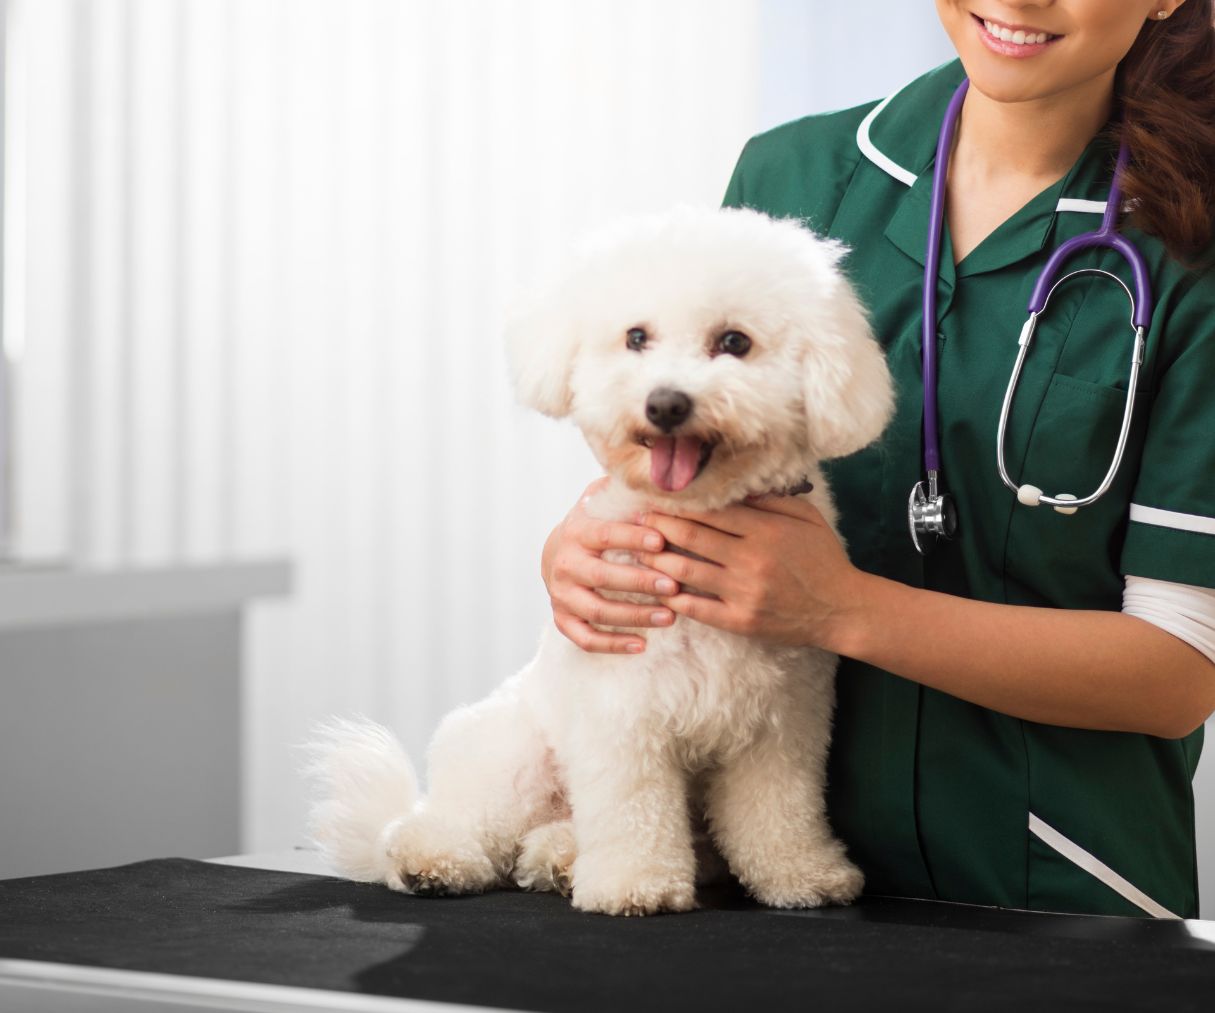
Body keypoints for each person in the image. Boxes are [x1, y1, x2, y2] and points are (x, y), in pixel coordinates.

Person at [539, 0, 1215, 919]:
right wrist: (591, 545)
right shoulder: (794, 173)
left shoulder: (1191, 243)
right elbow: (703, 443)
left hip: (1054, 889)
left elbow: (1179, 673)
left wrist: (843, 608)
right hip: (753, 890)